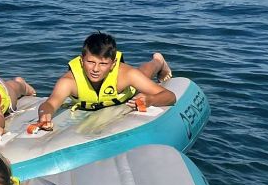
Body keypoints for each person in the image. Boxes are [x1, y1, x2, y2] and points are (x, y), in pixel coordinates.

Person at [35, 33, 175, 127]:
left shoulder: (126, 75)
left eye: (103, 64)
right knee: (139, 75)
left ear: (112, 64)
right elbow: (50, 103)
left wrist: (150, 100)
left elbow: (170, 96)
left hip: (126, 92)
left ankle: (158, 61)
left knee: (143, 73)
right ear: (82, 61)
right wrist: (44, 115)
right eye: (90, 62)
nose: (95, 69)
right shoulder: (69, 82)